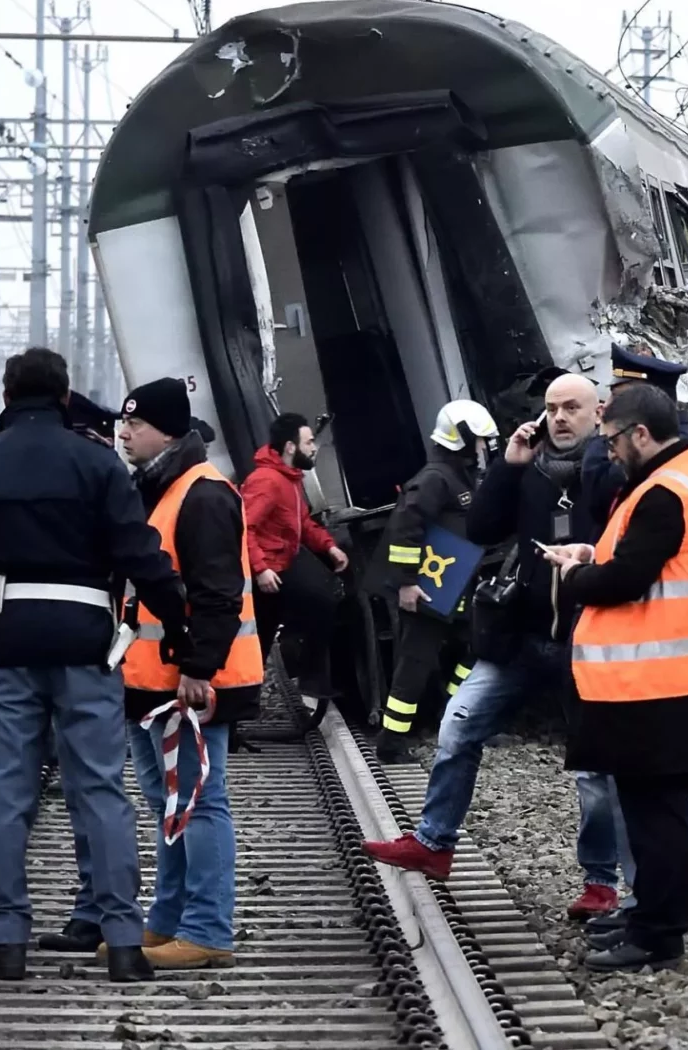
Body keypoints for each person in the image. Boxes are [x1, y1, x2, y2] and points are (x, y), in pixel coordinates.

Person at [0, 347, 181, 981]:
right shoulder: (96, 462)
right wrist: (182, 631)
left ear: (6, 395)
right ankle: (121, 943)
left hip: (5, 642)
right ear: (65, 397)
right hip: (86, 640)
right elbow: (141, 554)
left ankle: (7, 942)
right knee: (99, 788)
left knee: (8, 787)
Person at [362, 373, 633, 925]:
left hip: (587, 637)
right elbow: (483, 528)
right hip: (523, 633)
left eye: (571, 409)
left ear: (597, 413)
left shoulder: (612, 472)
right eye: (552, 408)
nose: (559, 418)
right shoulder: (529, 472)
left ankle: (601, 882)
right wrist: (508, 467)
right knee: (459, 722)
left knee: (594, 769)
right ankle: (434, 842)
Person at [545, 384, 688, 971]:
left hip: (654, 680)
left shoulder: (662, 492)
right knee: (660, 809)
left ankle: (658, 933)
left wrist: (575, 579)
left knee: (654, 814)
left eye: (611, 440)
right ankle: (652, 915)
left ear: (640, 434)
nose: (607, 452)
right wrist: (593, 557)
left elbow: (626, 580)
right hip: (681, 674)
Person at [114, 378, 260, 970]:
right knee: (169, 803)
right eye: (125, 423)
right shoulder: (165, 488)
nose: (125, 433)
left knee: (199, 802)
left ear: (169, 431)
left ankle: (207, 929)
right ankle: (168, 921)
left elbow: (218, 591)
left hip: (189, 682)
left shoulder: (202, 494)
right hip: (152, 679)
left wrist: (200, 667)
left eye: (137, 425)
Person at [375, 400, 496, 762]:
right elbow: (404, 529)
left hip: (454, 587)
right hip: (429, 589)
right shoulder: (434, 479)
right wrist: (407, 583)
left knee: (476, 649)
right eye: (481, 440)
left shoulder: (458, 477)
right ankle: (391, 743)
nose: (486, 447)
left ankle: (454, 716)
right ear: (462, 437)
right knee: (415, 664)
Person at [241, 412, 349, 665]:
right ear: (290, 447)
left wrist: (329, 546)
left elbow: (303, 523)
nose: (313, 448)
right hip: (270, 573)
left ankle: (307, 684)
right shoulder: (267, 481)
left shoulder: (290, 479)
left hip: (280, 567)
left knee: (266, 637)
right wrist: (261, 569)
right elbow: (244, 527)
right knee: (321, 602)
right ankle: (304, 680)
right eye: (309, 442)